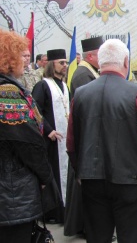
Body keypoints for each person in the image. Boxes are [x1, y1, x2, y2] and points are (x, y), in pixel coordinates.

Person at [66, 39, 137, 243]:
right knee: (131, 235)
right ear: (126, 61)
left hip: (92, 179)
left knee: (97, 236)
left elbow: (72, 142)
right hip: (130, 181)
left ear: (100, 62)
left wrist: (79, 170)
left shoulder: (80, 95)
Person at [0, 30, 54, 242]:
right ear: (8, 59)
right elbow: (29, 144)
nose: (26, 61)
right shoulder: (7, 94)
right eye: (21, 56)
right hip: (12, 194)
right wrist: (45, 177)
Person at [64, 36, 103, 237]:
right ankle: (84, 227)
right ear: (91, 55)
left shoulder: (91, 72)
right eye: (100, 55)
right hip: (86, 138)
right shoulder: (82, 75)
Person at [32, 49, 70, 223]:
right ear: (51, 64)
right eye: (61, 62)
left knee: (63, 173)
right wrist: (48, 130)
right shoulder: (43, 85)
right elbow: (34, 110)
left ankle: (63, 210)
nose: (65, 66)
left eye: (66, 63)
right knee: (53, 173)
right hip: (51, 139)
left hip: (64, 139)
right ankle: (51, 213)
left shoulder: (64, 85)